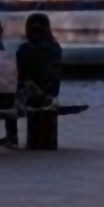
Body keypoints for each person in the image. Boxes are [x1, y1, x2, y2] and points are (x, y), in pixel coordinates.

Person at [15, 13, 68, 151]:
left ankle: (34, 142)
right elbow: (55, 72)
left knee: (34, 116)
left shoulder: (24, 49)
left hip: (30, 93)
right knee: (46, 113)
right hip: (49, 92)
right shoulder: (54, 48)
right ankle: (47, 142)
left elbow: (21, 73)